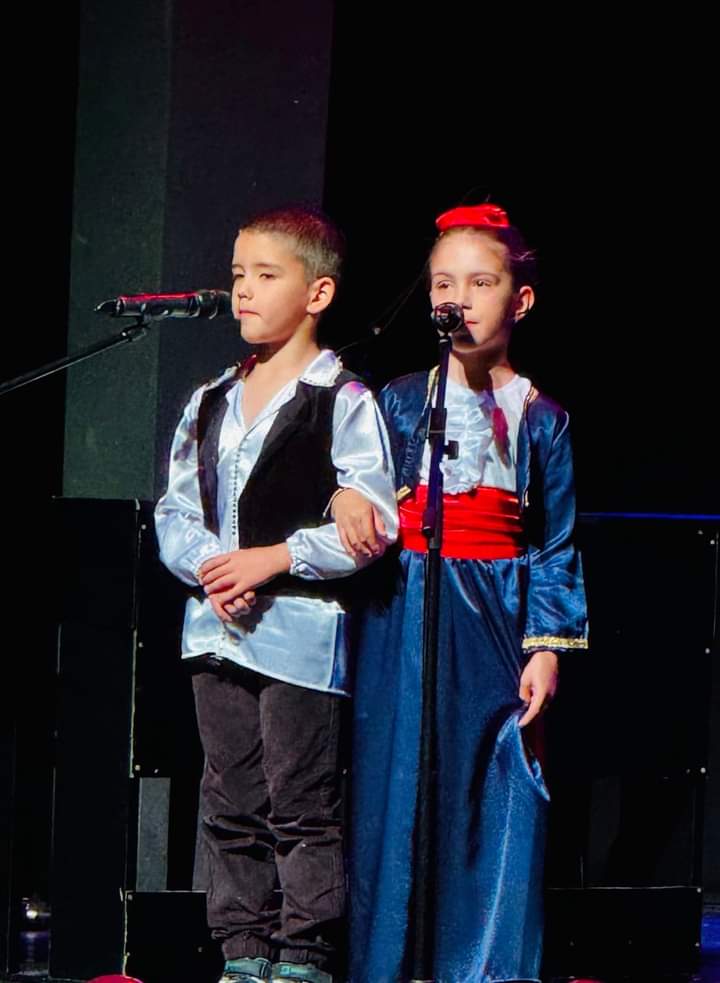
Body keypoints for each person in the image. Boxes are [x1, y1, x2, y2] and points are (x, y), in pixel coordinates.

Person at [332, 203, 588, 983]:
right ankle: (388, 962)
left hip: (493, 609)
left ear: (521, 299)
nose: (460, 299)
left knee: (492, 778)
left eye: (481, 282)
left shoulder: (542, 418)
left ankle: (483, 965)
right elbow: (361, 486)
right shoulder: (402, 399)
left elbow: (553, 541)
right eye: (444, 284)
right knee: (398, 775)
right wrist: (350, 499)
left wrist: (546, 646)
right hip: (405, 604)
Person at [154, 206, 398, 983]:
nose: (244, 291)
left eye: (266, 275)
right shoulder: (211, 398)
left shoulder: (341, 399)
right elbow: (175, 509)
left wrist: (273, 558)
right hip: (215, 627)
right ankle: (243, 949)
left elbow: (372, 523)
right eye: (238, 275)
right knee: (229, 799)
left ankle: (303, 953)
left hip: (298, 632)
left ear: (317, 292)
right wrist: (212, 567)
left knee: (301, 800)